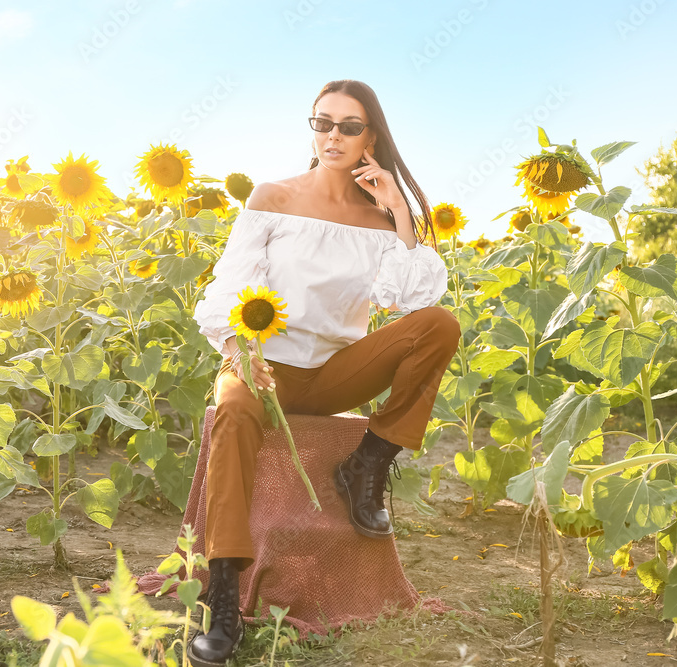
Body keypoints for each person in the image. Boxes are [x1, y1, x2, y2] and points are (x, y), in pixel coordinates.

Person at [187, 79, 461, 666]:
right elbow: (226, 289)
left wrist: (400, 213)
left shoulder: (379, 220)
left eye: (349, 126)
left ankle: (368, 463)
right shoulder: (274, 198)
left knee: (441, 324)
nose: (333, 136)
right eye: (322, 123)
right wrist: (243, 356)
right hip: (265, 366)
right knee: (232, 410)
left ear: (371, 136)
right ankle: (225, 590)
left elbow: (411, 303)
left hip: (337, 373)